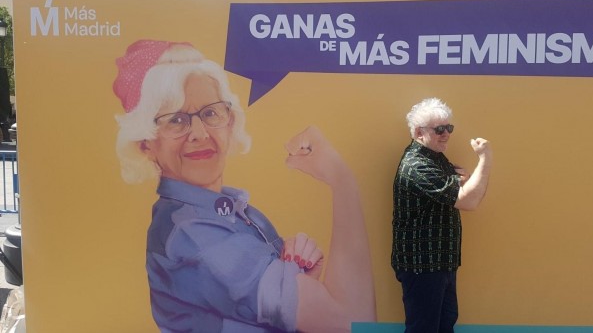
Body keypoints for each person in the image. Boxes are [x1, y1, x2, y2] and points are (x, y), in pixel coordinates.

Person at [112, 39, 375, 332]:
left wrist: (296, 279)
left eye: (210, 113)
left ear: (230, 121)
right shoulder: (196, 237)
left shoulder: (230, 212)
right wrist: (342, 181)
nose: (199, 133)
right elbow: (352, 323)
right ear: (146, 143)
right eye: (176, 120)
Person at [391, 98, 493, 333]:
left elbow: (466, 192)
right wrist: (485, 158)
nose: (446, 134)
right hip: (423, 266)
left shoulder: (435, 159)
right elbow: (469, 200)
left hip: (440, 264)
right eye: (439, 130)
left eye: (449, 128)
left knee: (443, 327)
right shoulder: (418, 165)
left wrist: (465, 181)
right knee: (423, 329)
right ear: (419, 132)